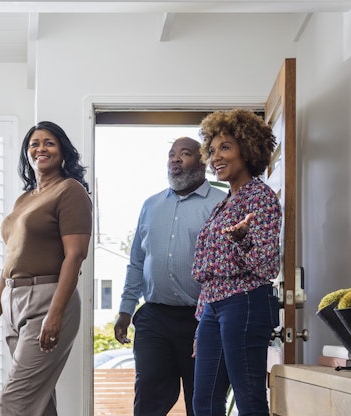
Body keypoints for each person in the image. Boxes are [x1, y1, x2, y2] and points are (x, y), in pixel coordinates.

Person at [0, 121, 93, 416]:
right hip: (13, 301)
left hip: (48, 299)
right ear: (27, 154)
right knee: (39, 404)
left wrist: (55, 314)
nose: (40, 148)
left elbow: (75, 255)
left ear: (63, 152)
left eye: (49, 143)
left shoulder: (70, 190)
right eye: (34, 144)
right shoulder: (24, 199)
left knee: (15, 403)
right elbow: (11, 261)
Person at [114, 137, 226, 416]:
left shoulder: (222, 204)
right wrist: (126, 310)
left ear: (202, 162)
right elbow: (137, 262)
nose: (175, 159)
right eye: (171, 154)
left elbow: (228, 268)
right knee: (148, 398)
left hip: (204, 320)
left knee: (202, 402)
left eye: (185, 154)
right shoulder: (151, 206)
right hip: (154, 318)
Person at [191, 109, 280, 416]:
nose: (216, 157)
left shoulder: (261, 198)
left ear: (248, 149)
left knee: (249, 398)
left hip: (245, 303)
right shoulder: (223, 205)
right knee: (203, 402)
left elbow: (267, 266)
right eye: (212, 150)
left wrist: (243, 240)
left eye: (225, 148)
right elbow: (209, 274)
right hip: (214, 309)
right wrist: (201, 323)